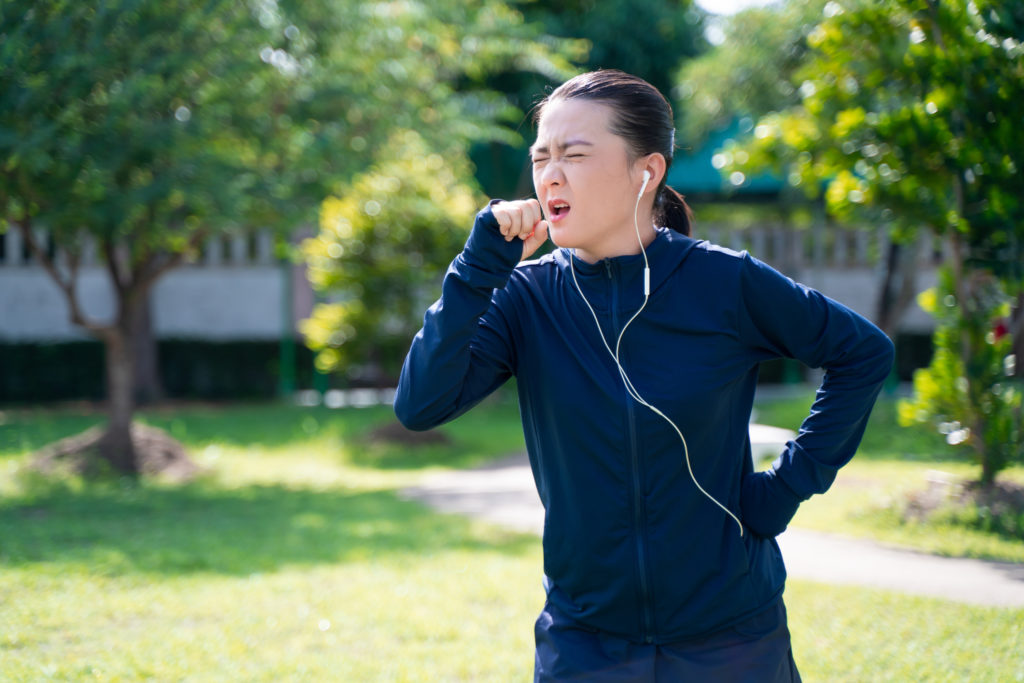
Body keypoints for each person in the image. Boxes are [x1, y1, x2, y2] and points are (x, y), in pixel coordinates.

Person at [394, 70, 894, 682]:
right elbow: (420, 404)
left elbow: (862, 353)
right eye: (541, 157)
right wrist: (476, 272)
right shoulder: (526, 298)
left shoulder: (724, 283)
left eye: (574, 155)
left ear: (646, 171)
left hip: (732, 636)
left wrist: (786, 488)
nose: (550, 174)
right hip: (585, 641)